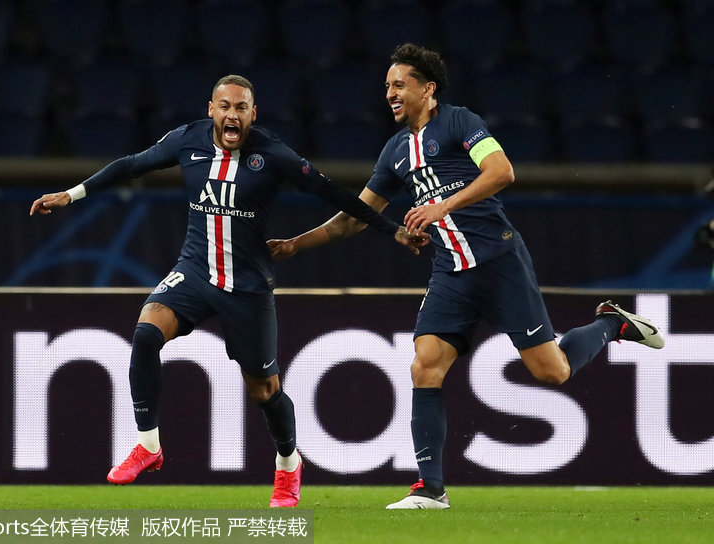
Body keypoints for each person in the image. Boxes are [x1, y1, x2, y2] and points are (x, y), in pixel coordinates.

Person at [267, 44, 666, 510]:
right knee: (424, 365)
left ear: (428, 89)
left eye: (400, 85)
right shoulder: (395, 151)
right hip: (450, 271)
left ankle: (611, 323)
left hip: (499, 261)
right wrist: (296, 244)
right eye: (387, 86)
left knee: (551, 371)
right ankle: (431, 489)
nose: (390, 93)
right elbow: (355, 217)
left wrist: (443, 206)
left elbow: (502, 171)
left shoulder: (460, 122)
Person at [30, 74, 423, 507]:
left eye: (240, 108)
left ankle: (288, 465)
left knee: (265, 391)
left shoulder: (273, 154)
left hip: (247, 286)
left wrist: (392, 229)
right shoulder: (188, 140)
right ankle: (148, 445)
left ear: (253, 114)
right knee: (145, 333)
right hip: (195, 272)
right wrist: (71, 194)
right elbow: (131, 165)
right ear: (211, 110)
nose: (231, 115)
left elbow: (333, 194)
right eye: (224, 106)